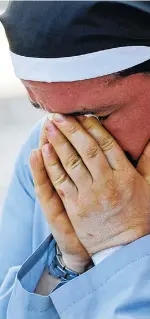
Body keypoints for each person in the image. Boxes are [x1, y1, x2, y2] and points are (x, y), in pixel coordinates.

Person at [0, 1, 150, 318]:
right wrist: (63, 264)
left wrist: (119, 250)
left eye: (97, 115)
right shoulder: (45, 157)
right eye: (44, 110)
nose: (69, 142)